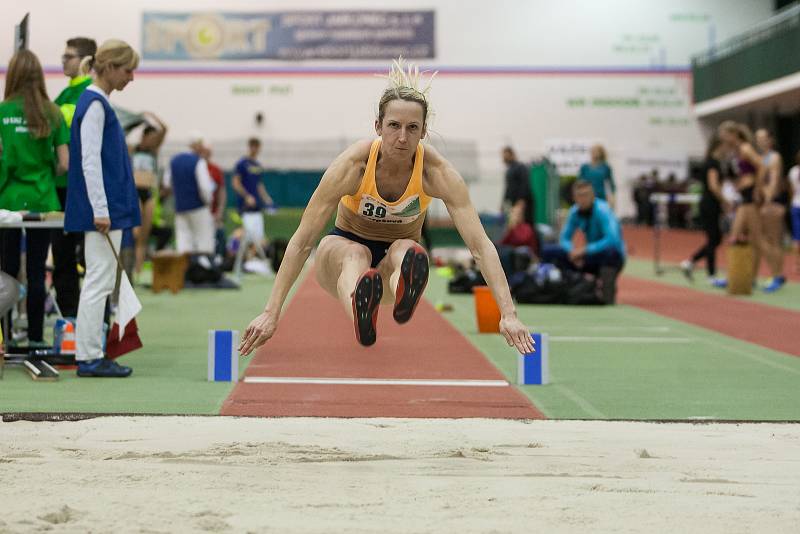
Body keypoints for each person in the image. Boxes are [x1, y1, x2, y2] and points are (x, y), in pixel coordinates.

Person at [239, 59, 533, 355]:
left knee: (407, 251)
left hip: (392, 266)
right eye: (394, 126)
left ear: (423, 132)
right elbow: (303, 241)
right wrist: (271, 311)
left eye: (412, 128)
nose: (402, 137)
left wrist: (509, 314)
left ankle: (403, 285)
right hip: (342, 256)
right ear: (378, 126)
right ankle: (360, 304)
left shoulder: (436, 173)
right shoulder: (352, 166)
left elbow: (480, 246)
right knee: (356, 253)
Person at [64, 39, 141, 377]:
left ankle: (92, 352)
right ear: (109, 68)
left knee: (101, 279)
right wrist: (101, 209)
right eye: (128, 70)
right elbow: (89, 162)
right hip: (104, 211)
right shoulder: (94, 104)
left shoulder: (98, 103)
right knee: (98, 280)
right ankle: (90, 356)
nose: (131, 77)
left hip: (108, 207)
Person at [0, 50, 69, 345]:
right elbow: (65, 163)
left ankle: (4, 337)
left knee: (7, 270)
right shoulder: (52, 112)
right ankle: (37, 341)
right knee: (39, 271)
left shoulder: (2, 112)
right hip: (44, 200)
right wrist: (44, 174)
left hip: (9, 200)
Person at [51, 37, 96, 318]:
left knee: (89, 260)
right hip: (58, 190)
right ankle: (68, 322)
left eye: (69, 56)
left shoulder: (89, 94)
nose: (63, 60)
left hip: (81, 189)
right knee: (63, 259)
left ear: (85, 61)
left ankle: (94, 326)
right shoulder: (62, 96)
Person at [714, 121, 783, 290]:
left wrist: (757, 188)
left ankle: (776, 276)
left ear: (733, 134)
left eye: (725, 135)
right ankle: (735, 275)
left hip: (751, 197)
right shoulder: (735, 151)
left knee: (758, 239)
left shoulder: (745, 148)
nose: (722, 139)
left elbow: (762, 166)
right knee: (734, 235)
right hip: (744, 197)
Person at [541, 180, 626, 304]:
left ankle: (607, 292)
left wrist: (584, 250)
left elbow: (613, 240)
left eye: (586, 195)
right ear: (574, 198)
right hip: (583, 257)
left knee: (611, 253)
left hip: (608, 257)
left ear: (592, 196)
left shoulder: (603, 210)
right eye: (579, 196)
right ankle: (566, 288)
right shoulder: (574, 212)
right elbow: (564, 238)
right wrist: (572, 251)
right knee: (549, 251)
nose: (583, 199)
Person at [681, 136, 728, 282]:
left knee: (714, 239)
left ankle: (692, 263)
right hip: (710, 204)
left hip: (710, 204)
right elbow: (714, 186)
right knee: (714, 238)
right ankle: (709, 273)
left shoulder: (712, 162)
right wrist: (725, 200)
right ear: (719, 146)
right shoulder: (713, 164)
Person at [163, 135, 216, 254]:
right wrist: (207, 202)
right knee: (203, 240)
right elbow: (205, 188)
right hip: (198, 207)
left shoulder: (173, 160)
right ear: (196, 145)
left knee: (183, 241)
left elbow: (167, 183)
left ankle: (185, 270)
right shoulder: (198, 161)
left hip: (180, 207)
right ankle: (203, 269)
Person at [131, 113, 167, 275]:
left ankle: (138, 271)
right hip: (135, 191)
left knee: (143, 237)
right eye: (150, 137)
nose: (152, 140)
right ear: (143, 137)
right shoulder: (133, 149)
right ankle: (129, 265)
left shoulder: (154, 151)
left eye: (154, 138)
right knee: (135, 232)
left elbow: (165, 129)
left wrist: (151, 116)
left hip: (149, 193)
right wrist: (137, 121)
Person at [755, 128, 787, 292]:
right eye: (757, 138)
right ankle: (777, 275)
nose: (759, 141)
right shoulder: (761, 157)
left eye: (763, 138)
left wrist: (768, 200)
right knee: (768, 239)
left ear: (770, 139)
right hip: (763, 201)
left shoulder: (774, 157)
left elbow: (774, 181)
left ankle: (777, 276)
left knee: (772, 240)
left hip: (772, 201)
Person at [231, 138, 274, 258]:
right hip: (244, 207)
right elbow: (235, 183)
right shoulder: (242, 164)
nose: (254, 149)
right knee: (244, 233)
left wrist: (266, 198)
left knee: (258, 237)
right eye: (252, 146)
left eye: (257, 146)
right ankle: (231, 252)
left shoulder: (257, 165)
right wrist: (246, 196)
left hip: (256, 207)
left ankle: (250, 259)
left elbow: (259, 185)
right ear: (249, 147)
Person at [501, 146, 534, 226]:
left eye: (506, 155)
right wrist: (503, 203)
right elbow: (508, 188)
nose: (504, 158)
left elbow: (525, 184)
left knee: (526, 225)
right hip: (514, 203)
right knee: (515, 225)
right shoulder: (509, 170)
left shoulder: (520, 167)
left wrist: (521, 200)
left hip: (523, 203)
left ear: (512, 155)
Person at [578, 144, 616, 210]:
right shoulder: (585, 167)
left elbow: (611, 185)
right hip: (587, 197)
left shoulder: (605, 167)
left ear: (600, 153)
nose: (594, 153)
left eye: (596, 151)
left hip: (601, 197)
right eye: (593, 151)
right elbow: (579, 183)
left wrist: (612, 198)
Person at [788, 150, 800, 272]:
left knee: (797, 237)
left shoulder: (793, 171)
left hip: (795, 205)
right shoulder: (794, 171)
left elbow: (791, 190)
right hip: (796, 206)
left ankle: (797, 265)